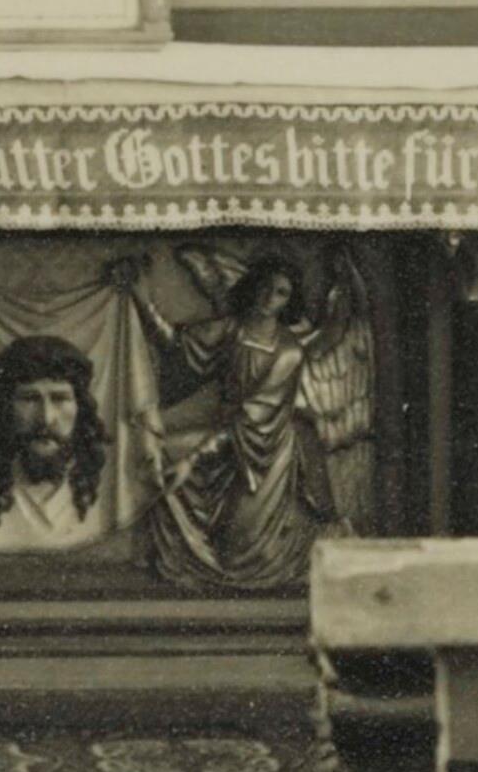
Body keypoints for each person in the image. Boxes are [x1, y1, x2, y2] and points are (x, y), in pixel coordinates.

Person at [123, 251, 369, 590]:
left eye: (281, 292)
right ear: (253, 287)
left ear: (289, 301)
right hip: (227, 436)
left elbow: (252, 416)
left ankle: (308, 543)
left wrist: (193, 459)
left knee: (240, 550)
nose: (269, 297)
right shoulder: (231, 329)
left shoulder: (289, 351)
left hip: (265, 449)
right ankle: (175, 562)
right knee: (160, 451)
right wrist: (140, 297)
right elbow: (176, 344)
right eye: (265, 287)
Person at [0, 333, 112, 553]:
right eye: (29, 399)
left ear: (80, 408)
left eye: (60, 398)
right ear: (5, 408)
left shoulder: (112, 497)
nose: (46, 418)